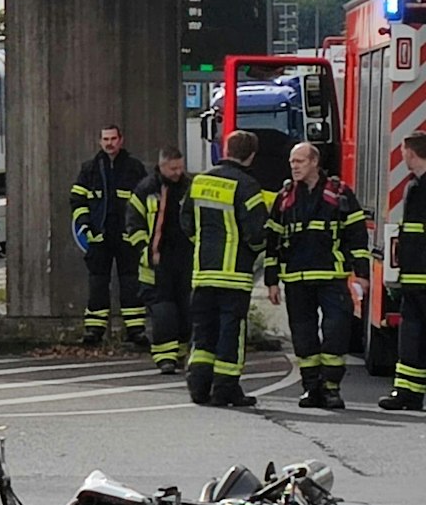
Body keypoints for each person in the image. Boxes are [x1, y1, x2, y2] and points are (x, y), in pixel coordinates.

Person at [265, 142, 370, 410]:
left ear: (314, 162)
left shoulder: (340, 194)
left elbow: (357, 236)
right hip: (296, 278)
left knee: (336, 331)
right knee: (303, 335)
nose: (294, 166)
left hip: (332, 276)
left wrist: (362, 274)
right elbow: (272, 240)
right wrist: (271, 280)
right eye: (292, 161)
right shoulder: (285, 197)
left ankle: (331, 387)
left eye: (299, 161)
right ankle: (311, 388)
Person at [181, 129, 269, 407]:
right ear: (251, 156)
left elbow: (186, 223)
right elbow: (257, 234)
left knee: (203, 331)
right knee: (231, 333)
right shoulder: (247, 186)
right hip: (234, 276)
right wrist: (252, 254)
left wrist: (204, 246)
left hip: (203, 272)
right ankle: (225, 389)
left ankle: (198, 387)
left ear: (225, 149)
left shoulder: (199, 182)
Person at [70, 124, 149, 345]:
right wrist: (86, 227)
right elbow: (77, 200)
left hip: (126, 238)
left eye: (113, 138)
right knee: (97, 285)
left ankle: (135, 331)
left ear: (121, 140)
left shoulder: (134, 168)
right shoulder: (90, 169)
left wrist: (136, 231)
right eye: (105, 139)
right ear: (100, 142)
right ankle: (94, 330)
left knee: (131, 285)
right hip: (99, 237)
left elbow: (145, 201)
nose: (109, 143)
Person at [125, 146, 192, 375]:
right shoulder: (146, 189)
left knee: (187, 309)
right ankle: (165, 358)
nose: (177, 172)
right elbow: (134, 224)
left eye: (180, 167)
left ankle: (181, 353)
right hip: (157, 263)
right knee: (164, 312)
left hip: (185, 260)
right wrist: (145, 251)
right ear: (162, 166)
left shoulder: (189, 188)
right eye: (173, 168)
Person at [380, 132, 426, 411]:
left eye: (403, 152)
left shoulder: (420, 186)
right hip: (414, 278)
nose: (401, 157)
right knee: (412, 337)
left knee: (414, 336)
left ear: (411, 153)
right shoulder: (415, 185)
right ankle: (407, 392)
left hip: (420, 276)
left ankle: (408, 393)